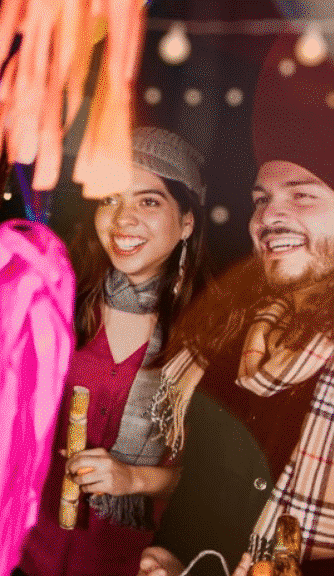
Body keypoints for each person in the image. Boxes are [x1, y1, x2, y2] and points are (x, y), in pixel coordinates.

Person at [138, 41, 334, 576]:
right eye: (262, 199)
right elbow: (209, 482)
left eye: (302, 195)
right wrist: (171, 554)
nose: (270, 216)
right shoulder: (226, 338)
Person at [16, 127, 210, 576]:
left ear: (186, 222)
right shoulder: (57, 302)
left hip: (133, 561)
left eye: (149, 201)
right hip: (29, 552)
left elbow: (219, 479)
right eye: (111, 199)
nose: (123, 219)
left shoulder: (211, 334)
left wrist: (133, 478)